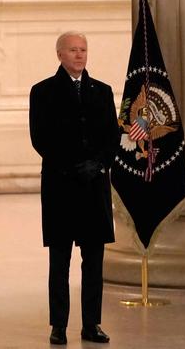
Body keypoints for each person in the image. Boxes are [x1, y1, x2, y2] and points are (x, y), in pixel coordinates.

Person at [29, 31, 120, 345]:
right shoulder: (42, 92)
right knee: (60, 260)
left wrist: (97, 164)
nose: (79, 55)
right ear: (60, 54)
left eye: (83, 49)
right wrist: (72, 166)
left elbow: (112, 137)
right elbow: (40, 138)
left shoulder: (103, 91)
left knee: (94, 261)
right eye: (72, 50)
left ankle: (91, 324)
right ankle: (59, 325)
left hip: (94, 187)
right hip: (61, 187)